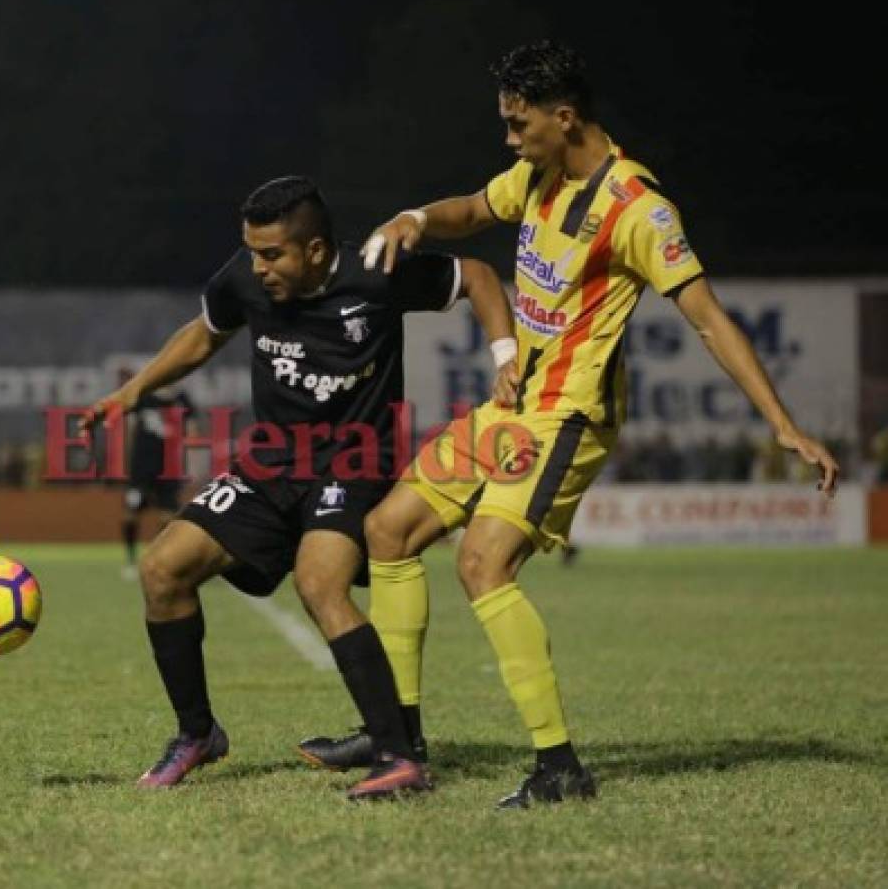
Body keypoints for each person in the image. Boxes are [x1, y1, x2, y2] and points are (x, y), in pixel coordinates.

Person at [297, 40, 839, 808]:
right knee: (387, 530)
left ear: (565, 116)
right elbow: (473, 210)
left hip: (568, 416)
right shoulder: (538, 179)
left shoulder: (637, 210)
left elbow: (709, 319)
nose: (509, 139)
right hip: (513, 406)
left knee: (482, 564)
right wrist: (417, 217)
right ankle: (399, 743)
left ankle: (558, 769)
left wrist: (782, 424)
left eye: (518, 125)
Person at [81, 175, 514, 799]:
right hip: (271, 465)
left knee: (319, 581)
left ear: (315, 251)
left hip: (355, 462)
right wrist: (133, 390)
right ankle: (197, 735)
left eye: (272, 254)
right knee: (162, 570)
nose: (257, 268)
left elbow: (475, 275)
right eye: (251, 251)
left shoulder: (377, 270)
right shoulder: (245, 277)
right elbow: (204, 333)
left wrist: (506, 359)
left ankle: (398, 755)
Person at [114, 366, 197, 581]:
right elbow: (130, 429)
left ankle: (162, 561)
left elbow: (193, 432)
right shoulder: (145, 397)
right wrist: (127, 462)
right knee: (130, 513)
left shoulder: (181, 399)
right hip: (141, 468)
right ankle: (130, 561)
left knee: (168, 518)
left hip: (168, 469)